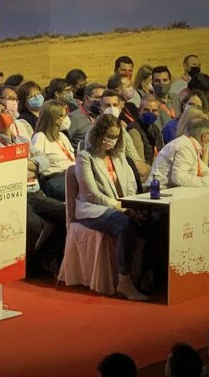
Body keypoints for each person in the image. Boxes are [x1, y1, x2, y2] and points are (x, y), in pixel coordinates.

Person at [0, 102, 67, 277]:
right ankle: (28, 264)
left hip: (36, 192)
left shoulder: (22, 140)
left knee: (68, 214)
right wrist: (30, 164)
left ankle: (44, 256)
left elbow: (44, 161)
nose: (2, 115)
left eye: (4, 111)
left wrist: (25, 164)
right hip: (14, 195)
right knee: (33, 224)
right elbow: (7, 171)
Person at [75, 114, 148, 301]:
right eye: (108, 136)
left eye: (115, 137)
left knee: (152, 219)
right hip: (93, 209)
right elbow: (91, 194)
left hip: (122, 205)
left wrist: (132, 205)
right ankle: (124, 280)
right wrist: (120, 207)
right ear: (98, 134)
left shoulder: (119, 155)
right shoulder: (85, 157)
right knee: (126, 224)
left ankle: (147, 273)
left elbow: (130, 184)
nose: (111, 141)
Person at [150, 115, 209, 187]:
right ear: (203, 136)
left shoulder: (189, 144)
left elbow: (202, 168)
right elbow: (179, 178)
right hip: (156, 191)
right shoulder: (184, 146)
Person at [99, 89, 150, 183]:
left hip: (125, 173)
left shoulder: (123, 130)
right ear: (100, 108)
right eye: (107, 105)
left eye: (115, 105)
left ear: (121, 107)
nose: (111, 108)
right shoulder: (95, 131)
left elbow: (135, 159)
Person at [32, 99, 75, 202]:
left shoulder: (62, 136)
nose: (66, 119)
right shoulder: (40, 137)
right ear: (53, 118)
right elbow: (36, 166)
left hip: (73, 174)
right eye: (62, 116)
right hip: (55, 179)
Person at [0, 85, 33, 160]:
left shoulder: (22, 137)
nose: (2, 116)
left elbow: (42, 158)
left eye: (15, 99)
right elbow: (9, 164)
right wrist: (32, 164)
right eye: (10, 98)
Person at [125, 94, 164, 166]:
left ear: (158, 112)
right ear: (139, 111)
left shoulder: (155, 128)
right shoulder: (134, 130)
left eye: (154, 110)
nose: (150, 113)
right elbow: (140, 163)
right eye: (146, 110)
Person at [66, 83, 104, 149]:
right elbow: (63, 142)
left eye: (103, 98)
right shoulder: (74, 118)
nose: (101, 101)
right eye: (97, 97)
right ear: (86, 98)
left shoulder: (104, 115)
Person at [152, 66, 182, 131]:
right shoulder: (150, 103)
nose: (161, 84)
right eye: (157, 81)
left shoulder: (176, 98)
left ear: (170, 83)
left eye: (165, 80)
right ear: (152, 84)